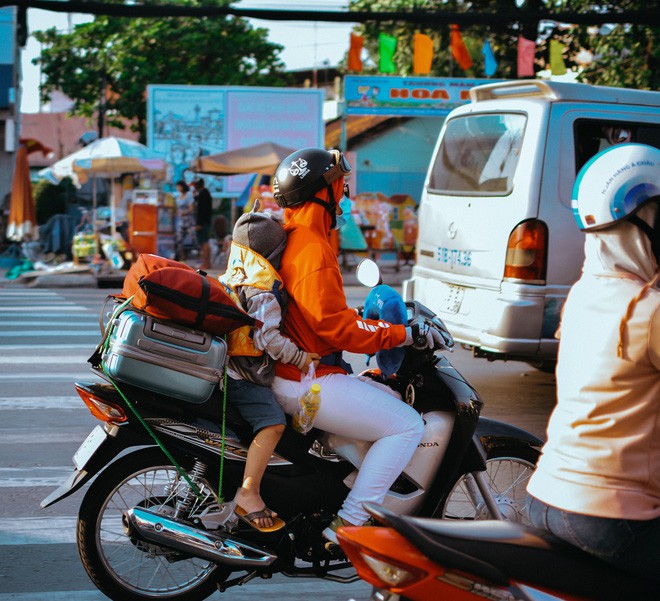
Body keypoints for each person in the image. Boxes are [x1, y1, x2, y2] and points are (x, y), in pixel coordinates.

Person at [269, 147, 444, 545]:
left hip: (304, 373)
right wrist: (399, 333)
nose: (343, 194)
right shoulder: (312, 248)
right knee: (406, 425)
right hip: (307, 381)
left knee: (378, 392)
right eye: (337, 185)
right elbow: (335, 328)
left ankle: (342, 495)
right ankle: (350, 523)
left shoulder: (304, 238)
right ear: (320, 194)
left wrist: (367, 318)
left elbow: (323, 312)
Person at [526, 143, 660, 580]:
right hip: (611, 516)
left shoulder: (583, 293)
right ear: (642, 225)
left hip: (546, 496)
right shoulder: (649, 309)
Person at [219, 205, 320, 532]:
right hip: (243, 375)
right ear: (274, 255)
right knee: (274, 424)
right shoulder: (265, 289)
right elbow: (267, 336)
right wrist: (301, 357)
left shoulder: (238, 274)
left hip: (226, 366)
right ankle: (249, 491)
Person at [192, 178, 212, 270]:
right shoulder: (203, 193)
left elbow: (202, 210)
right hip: (204, 222)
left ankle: (206, 263)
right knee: (204, 242)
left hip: (203, 223)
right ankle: (206, 263)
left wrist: (199, 223)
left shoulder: (204, 194)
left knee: (204, 243)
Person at [174, 180, 196, 261]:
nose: (178, 188)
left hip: (188, 220)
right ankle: (182, 256)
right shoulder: (178, 197)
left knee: (193, 238)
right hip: (180, 221)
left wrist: (184, 212)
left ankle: (197, 255)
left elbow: (191, 208)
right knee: (179, 239)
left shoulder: (189, 195)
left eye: (179, 186)